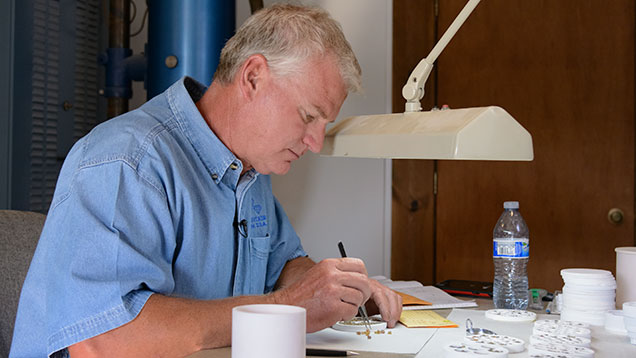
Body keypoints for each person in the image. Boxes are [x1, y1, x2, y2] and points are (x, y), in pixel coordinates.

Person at [10, 4, 402, 358]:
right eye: (308, 116)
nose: (315, 142)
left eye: (325, 124)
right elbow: (102, 341)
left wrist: (335, 289)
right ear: (252, 77)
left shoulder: (250, 168)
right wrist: (291, 307)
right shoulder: (127, 162)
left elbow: (285, 265)